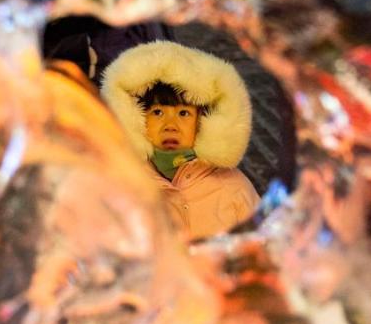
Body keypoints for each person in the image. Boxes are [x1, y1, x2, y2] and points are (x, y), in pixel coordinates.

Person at [101, 40, 261, 240]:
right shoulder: (124, 189)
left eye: (184, 113)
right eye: (157, 112)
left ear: (204, 121)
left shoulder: (234, 189)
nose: (171, 125)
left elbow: (263, 247)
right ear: (135, 118)